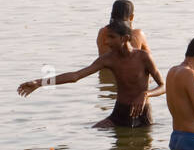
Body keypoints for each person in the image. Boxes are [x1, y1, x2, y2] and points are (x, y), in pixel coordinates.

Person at [17, 19, 164, 128]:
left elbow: (164, 86)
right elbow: (75, 76)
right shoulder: (108, 59)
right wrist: (39, 83)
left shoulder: (143, 57)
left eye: (111, 37)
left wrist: (146, 94)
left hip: (142, 114)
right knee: (94, 132)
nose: (106, 42)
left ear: (124, 38)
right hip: (119, 113)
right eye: (107, 37)